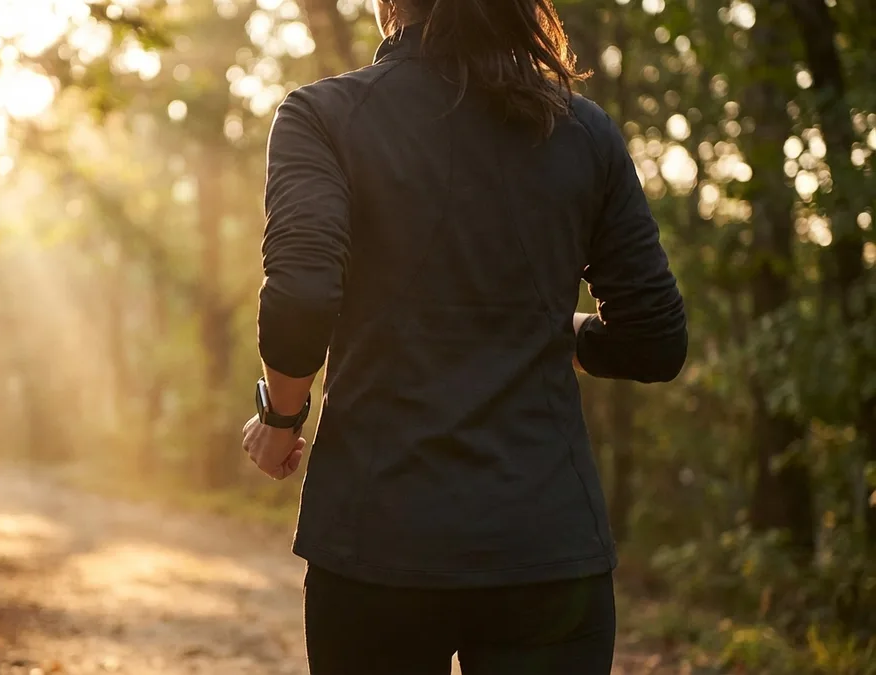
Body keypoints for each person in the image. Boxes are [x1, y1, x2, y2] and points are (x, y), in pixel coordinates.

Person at [239, 0, 687, 672]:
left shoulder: (324, 117)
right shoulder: (582, 131)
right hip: (546, 550)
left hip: (376, 544)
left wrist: (282, 415)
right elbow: (654, 339)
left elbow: (304, 293)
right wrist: (554, 330)